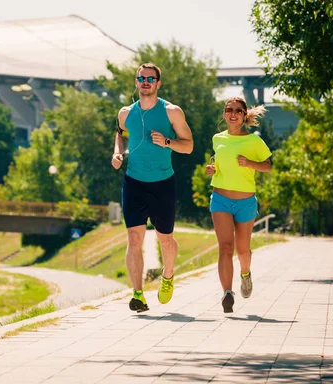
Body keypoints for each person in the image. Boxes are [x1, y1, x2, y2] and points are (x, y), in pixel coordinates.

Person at [111, 63, 193, 312]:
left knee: (165, 239)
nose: (145, 81)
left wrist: (167, 141)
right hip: (133, 181)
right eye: (141, 78)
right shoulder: (125, 113)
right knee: (134, 238)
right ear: (136, 82)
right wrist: (117, 153)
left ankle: (168, 276)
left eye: (151, 78)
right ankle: (138, 294)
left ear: (158, 83)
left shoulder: (172, 112)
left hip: (162, 183)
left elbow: (188, 146)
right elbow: (121, 135)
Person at [205, 97, 272, 313]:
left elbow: (267, 166)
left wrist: (249, 163)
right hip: (221, 199)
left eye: (238, 111)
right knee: (225, 248)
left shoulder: (253, 141)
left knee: (243, 250)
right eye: (229, 110)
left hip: (245, 201)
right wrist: (213, 168)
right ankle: (227, 292)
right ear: (224, 114)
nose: (233, 114)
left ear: (244, 116)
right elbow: (220, 162)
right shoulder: (217, 138)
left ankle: (245, 273)